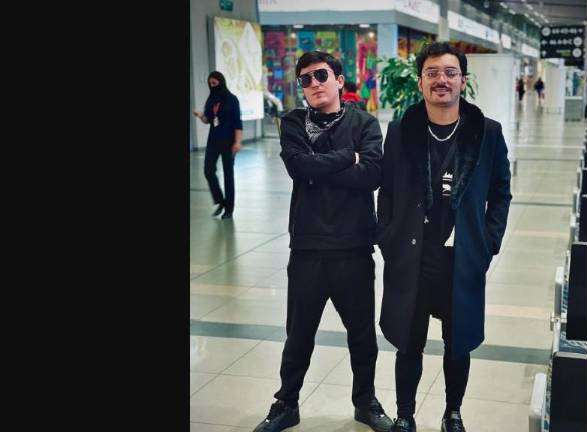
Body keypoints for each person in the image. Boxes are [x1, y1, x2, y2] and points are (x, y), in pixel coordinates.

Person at [251, 51, 393, 432]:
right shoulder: (293, 122)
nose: (313, 84)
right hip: (308, 248)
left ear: (339, 80)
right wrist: (348, 157)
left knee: (362, 335)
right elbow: (298, 167)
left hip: (354, 248)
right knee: (298, 334)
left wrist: (319, 168)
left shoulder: (364, 122)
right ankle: (286, 403)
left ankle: (365, 402)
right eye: (306, 79)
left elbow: (372, 175)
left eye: (321, 75)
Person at [376, 42, 513, 432]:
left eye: (450, 73)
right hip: (413, 256)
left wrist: (488, 243)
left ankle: (453, 412)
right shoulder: (401, 131)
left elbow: (501, 192)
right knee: (409, 341)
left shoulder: (487, 133)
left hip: (462, 257)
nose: (442, 80)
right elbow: (387, 190)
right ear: (420, 81)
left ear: (462, 81)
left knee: (458, 343)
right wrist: (387, 237)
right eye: (432, 72)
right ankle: (405, 414)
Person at [193, 71, 242, 219]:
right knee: (208, 170)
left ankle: (229, 209)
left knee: (228, 175)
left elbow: (237, 123)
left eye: (214, 83)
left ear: (221, 82)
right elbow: (208, 120)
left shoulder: (232, 100)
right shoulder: (211, 99)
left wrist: (237, 142)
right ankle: (220, 200)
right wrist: (201, 116)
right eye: (210, 84)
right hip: (213, 140)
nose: (212, 86)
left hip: (229, 142)